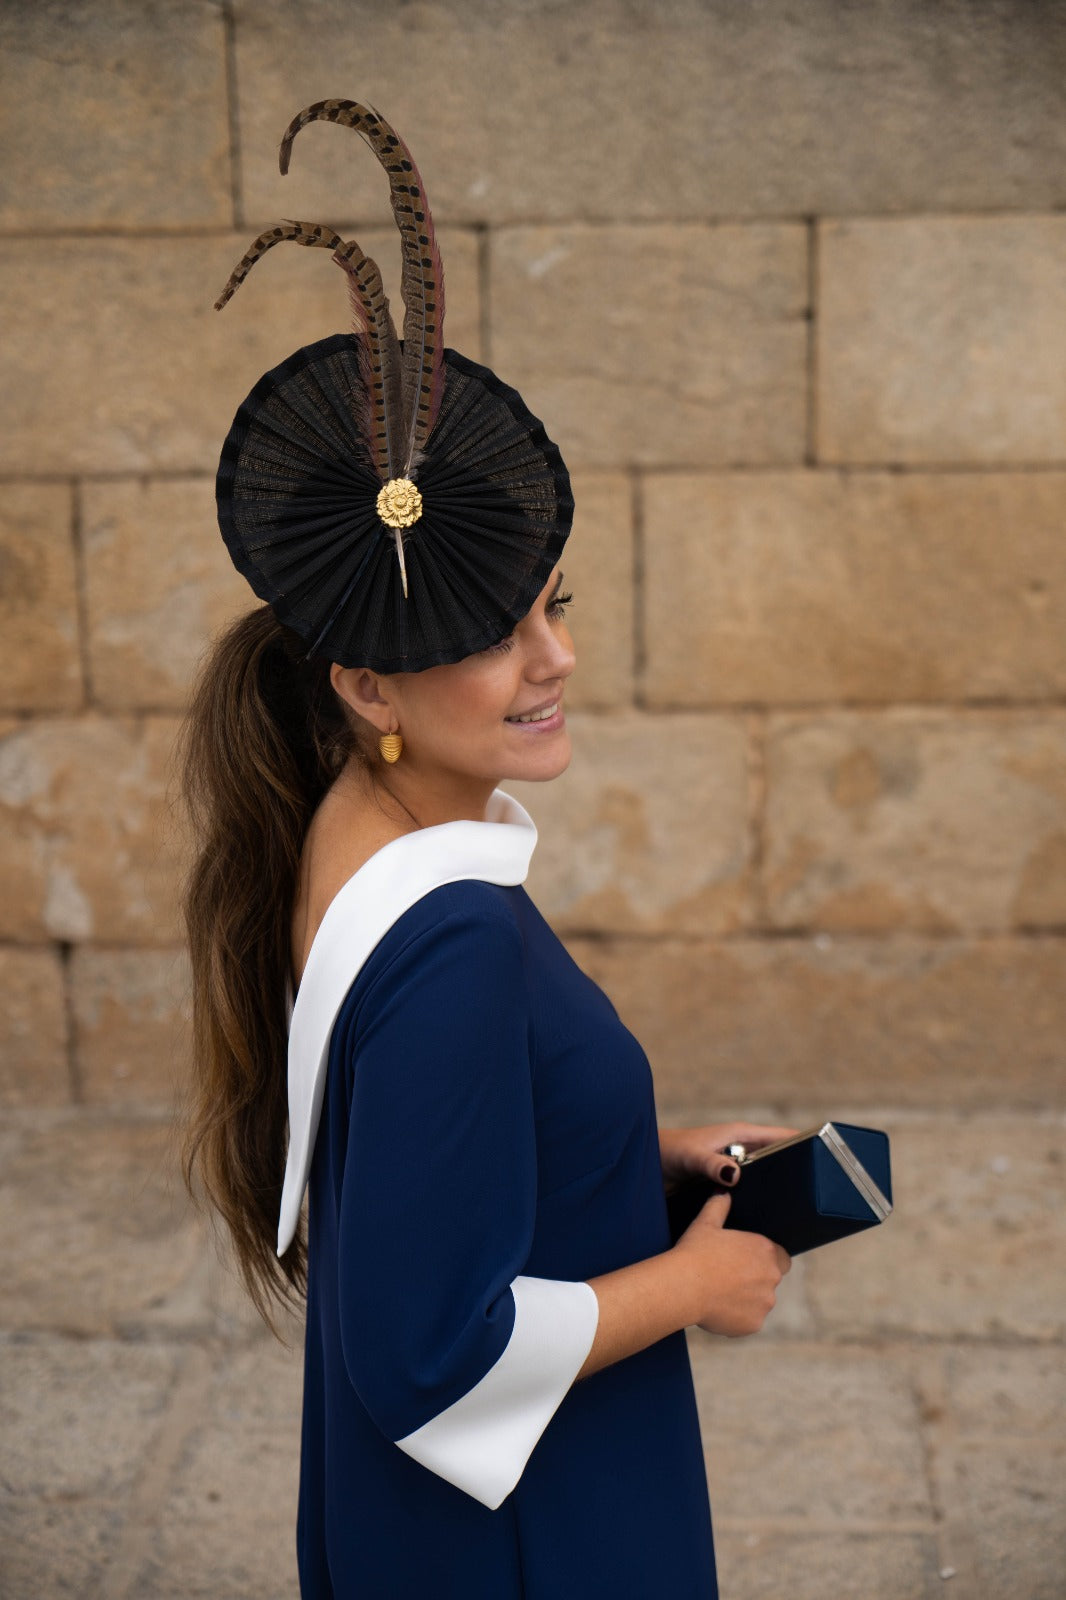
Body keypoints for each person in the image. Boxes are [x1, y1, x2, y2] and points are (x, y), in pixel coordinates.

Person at [182, 99, 791, 1599]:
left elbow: (435, 1164)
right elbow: (429, 1353)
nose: (552, 659)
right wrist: (697, 1281)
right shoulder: (447, 942)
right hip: (525, 1540)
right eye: (489, 631)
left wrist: (640, 1159)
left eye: (551, 605)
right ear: (367, 688)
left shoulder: (359, 836)